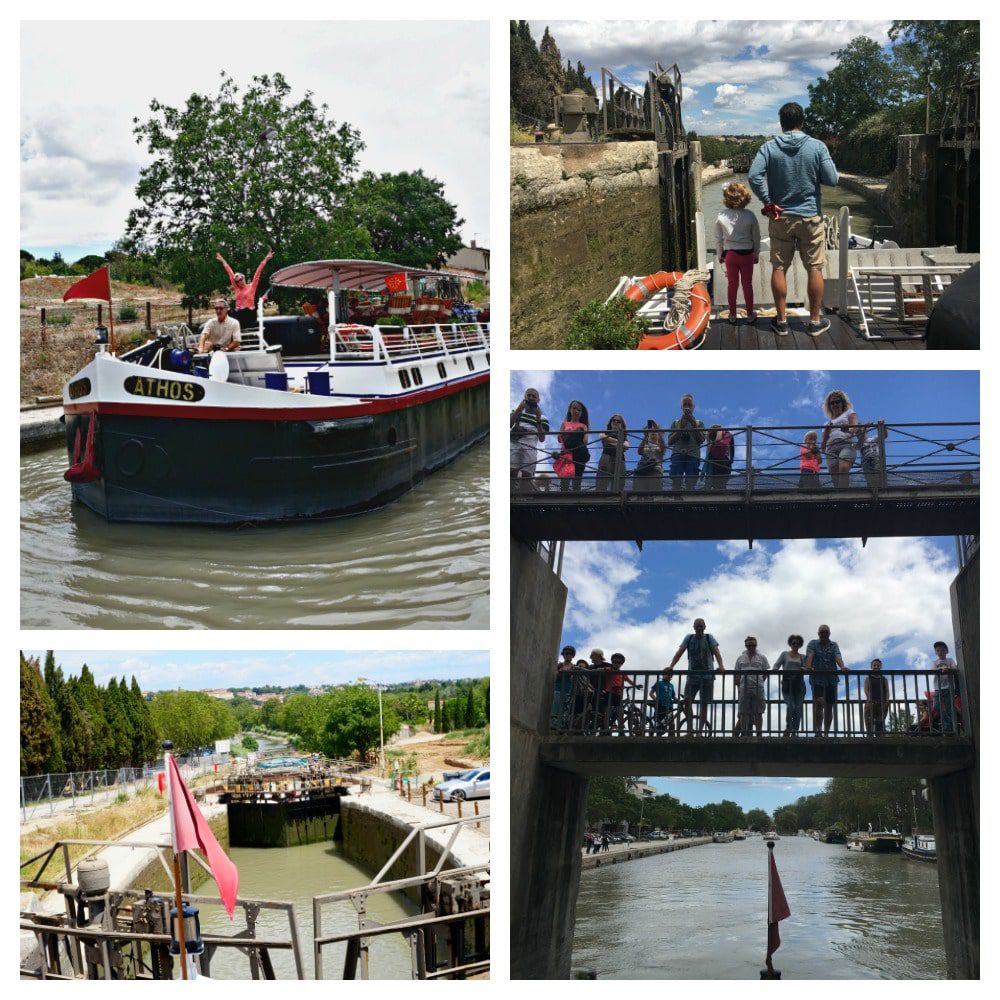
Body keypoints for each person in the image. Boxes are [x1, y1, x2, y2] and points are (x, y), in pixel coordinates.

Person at [747, 102, 838, 338]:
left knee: (779, 267)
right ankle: (815, 321)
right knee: (815, 268)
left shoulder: (768, 148)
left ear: (781, 123)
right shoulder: (817, 147)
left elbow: (754, 176)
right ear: (802, 121)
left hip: (780, 217)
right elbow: (832, 179)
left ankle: (781, 321)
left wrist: (768, 201)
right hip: (810, 217)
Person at [666, 618, 725, 734]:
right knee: (687, 701)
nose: (699, 628)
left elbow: (717, 652)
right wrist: (671, 666)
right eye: (697, 626)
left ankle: (700, 730)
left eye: (701, 626)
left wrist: (721, 666)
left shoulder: (709, 637)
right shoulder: (689, 638)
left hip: (707, 676)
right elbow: (679, 652)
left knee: (704, 704)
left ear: (705, 627)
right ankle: (690, 728)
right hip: (692, 676)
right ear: (693, 627)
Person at [714, 181, 761, 324]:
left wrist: (720, 254)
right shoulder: (750, 215)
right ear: (745, 198)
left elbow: (718, 239)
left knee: (732, 285)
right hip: (747, 255)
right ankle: (750, 314)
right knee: (748, 284)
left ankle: (732, 314)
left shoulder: (721, 215)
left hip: (730, 255)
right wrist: (756, 254)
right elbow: (756, 238)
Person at [804, 624, 850, 735]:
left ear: (829, 633)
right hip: (817, 679)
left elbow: (837, 656)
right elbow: (810, 655)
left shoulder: (834, 645)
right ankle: (818, 730)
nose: (824, 634)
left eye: (826, 632)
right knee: (819, 703)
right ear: (818, 633)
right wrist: (808, 667)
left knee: (829, 706)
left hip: (831, 680)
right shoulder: (812, 644)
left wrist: (842, 666)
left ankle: (826, 732)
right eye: (821, 632)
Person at [216, 249, 274, 328]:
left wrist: (266, 259)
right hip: (239, 315)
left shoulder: (252, 286)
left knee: (244, 310)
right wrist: (223, 261)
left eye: (240, 279)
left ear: (244, 277)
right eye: (237, 281)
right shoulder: (237, 289)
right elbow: (230, 273)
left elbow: (258, 272)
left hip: (249, 315)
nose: (240, 282)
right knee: (228, 311)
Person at [820, 389, 859, 489]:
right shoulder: (826, 424)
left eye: (837, 401)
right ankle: (840, 497)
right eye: (832, 403)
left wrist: (848, 430)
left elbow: (855, 427)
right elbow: (823, 446)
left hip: (846, 443)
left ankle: (843, 496)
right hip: (831, 449)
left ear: (842, 403)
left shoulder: (849, 413)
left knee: (844, 468)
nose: (835, 404)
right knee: (835, 478)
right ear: (829, 406)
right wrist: (826, 433)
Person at [733, 637, 770, 736]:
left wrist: (760, 681)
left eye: (753, 645)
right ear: (746, 646)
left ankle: (759, 733)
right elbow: (736, 675)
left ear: (756, 645)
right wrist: (739, 688)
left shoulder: (762, 657)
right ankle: (744, 733)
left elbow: (766, 672)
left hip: (758, 688)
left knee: (759, 712)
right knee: (743, 712)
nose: (751, 647)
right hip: (744, 688)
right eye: (749, 645)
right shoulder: (740, 658)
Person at [668, 394, 705, 491]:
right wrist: (680, 428)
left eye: (689, 405)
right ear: (681, 407)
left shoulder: (699, 423)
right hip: (677, 453)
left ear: (693, 407)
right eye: (685, 405)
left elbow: (701, 440)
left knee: (691, 482)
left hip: (693, 454)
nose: (687, 407)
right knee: (676, 480)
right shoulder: (675, 423)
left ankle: (689, 498)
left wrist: (693, 424)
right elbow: (670, 442)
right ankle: (675, 498)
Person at [510, 388, 549, 481]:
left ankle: (524, 494)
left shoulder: (544, 418)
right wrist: (519, 409)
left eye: (534, 396)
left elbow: (542, 438)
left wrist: (538, 418)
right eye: (529, 395)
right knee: (510, 471)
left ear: (538, 400)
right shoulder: (517, 412)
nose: (531, 398)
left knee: (527, 475)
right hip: (514, 444)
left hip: (530, 447)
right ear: (525, 397)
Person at [774, 635, 806, 736]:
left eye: (797, 643)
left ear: (800, 645)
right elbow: (776, 665)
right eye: (793, 643)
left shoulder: (803, 657)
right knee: (791, 707)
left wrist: (804, 669)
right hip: (787, 685)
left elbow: (808, 668)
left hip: (799, 685)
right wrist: (775, 671)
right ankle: (789, 727)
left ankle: (794, 731)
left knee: (798, 709)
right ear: (790, 644)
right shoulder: (784, 654)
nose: (795, 645)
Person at [558, 400, 591, 493]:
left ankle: (576, 498)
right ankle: (563, 499)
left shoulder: (583, 426)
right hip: (566, 453)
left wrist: (579, 432)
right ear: (570, 410)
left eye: (579, 410)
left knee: (577, 479)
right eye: (574, 408)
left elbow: (585, 441)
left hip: (578, 452)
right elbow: (560, 438)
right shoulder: (564, 424)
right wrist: (573, 432)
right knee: (565, 481)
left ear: (581, 413)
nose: (576, 411)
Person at [931, 641, 958, 735]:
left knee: (949, 708)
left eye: (942, 650)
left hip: (949, 687)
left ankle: (951, 730)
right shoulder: (935, 662)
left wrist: (948, 669)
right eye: (938, 650)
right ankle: (948, 723)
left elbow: (955, 668)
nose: (940, 652)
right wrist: (939, 669)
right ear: (935, 652)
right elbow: (932, 670)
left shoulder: (950, 660)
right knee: (936, 706)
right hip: (938, 688)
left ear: (946, 651)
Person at [596, 414, 629, 491]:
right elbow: (602, 437)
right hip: (606, 458)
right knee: (601, 484)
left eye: (618, 421)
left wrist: (608, 440)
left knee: (619, 485)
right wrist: (619, 443)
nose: (616, 422)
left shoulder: (624, 436)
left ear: (621, 425)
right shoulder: (606, 432)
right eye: (614, 420)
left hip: (620, 460)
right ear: (610, 422)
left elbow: (626, 446)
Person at [634, 421, 666, 492]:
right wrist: (645, 436)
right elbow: (639, 451)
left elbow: (663, 447)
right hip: (643, 470)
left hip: (655, 471)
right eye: (651, 431)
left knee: (654, 494)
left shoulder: (660, 445)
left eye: (655, 431)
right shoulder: (645, 444)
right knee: (640, 494)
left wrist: (656, 428)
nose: (653, 432)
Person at [863, 658, 890, 735]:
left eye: (878, 665)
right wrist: (869, 699)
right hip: (871, 702)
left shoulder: (884, 679)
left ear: (880, 666)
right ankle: (870, 739)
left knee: (880, 723)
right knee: (869, 723)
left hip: (882, 702)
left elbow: (887, 691)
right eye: (874, 665)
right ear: (871, 667)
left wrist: (887, 700)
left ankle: (880, 740)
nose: (876, 667)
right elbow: (866, 690)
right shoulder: (868, 678)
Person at [704, 424, 735, 490]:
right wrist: (719, 433)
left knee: (720, 484)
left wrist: (720, 433)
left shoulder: (726, 435)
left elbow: (722, 445)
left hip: (723, 461)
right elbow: (719, 445)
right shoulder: (713, 442)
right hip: (715, 461)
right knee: (718, 484)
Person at [552, 645, 576, 727]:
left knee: (565, 709)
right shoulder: (559, 665)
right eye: (566, 653)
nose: (568, 655)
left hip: (568, 690)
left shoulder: (574, 667)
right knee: (556, 707)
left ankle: (562, 725)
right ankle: (554, 725)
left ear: (573, 656)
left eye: (570, 654)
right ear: (563, 654)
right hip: (558, 688)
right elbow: (554, 676)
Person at [860, 424, 886, 490]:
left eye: (861, 431)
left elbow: (884, 435)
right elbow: (859, 444)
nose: (859, 434)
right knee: (869, 478)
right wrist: (864, 429)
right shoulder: (858, 444)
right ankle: (872, 490)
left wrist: (882, 426)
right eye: (858, 432)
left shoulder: (873, 439)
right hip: (866, 462)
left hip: (876, 458)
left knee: (878, 475)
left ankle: (880, 490)